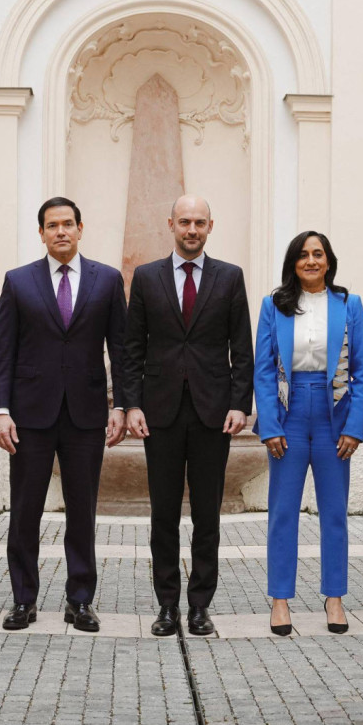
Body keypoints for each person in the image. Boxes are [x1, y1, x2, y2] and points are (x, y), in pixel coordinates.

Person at [0, 197, 128, 633]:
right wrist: (0, 409)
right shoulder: (18, 281)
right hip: (29, 415)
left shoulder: (107, 280)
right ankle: (23, 600)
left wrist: (120, 404)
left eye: (68, 224)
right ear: (42, 233)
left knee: (82, 512)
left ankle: (80, 600)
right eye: (52, 225)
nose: (61, 232)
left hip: (86, 414)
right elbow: (4, 352)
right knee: (25, 511)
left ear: (81, 228)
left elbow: (121, 350)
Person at [124, 195, 254, 637]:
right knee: (162, 514)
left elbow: (243, 348)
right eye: (184, 222)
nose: (192, 229)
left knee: (207, 516)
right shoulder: (145, 277)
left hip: (212, 413)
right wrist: (132, 403)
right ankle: (166, 606)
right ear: (171, 224)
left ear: (210, 226)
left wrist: (240, 404)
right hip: (159, 413)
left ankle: (200, 606)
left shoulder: (230, 278)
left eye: (199, 222)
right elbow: (132, 348)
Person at [254, 231, 363, 636]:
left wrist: (355, 427)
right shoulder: (274, 306)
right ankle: (280, 600)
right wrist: (268, 425)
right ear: (293, 262)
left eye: (318, 254)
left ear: (328, 260)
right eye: (303, 255)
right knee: (282, 512)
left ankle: (334, 597)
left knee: (334, 513)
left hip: (332, 413)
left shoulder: (349, 304)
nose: (311, 261)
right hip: (288, 413)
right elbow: (265, 370)